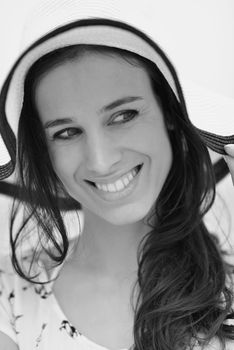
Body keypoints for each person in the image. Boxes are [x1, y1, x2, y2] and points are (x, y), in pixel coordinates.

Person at [0, 1, 234, 349]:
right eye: (66, 132)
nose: (100, 161)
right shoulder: (9, 296)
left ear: (170, 111)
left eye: (123, 116)